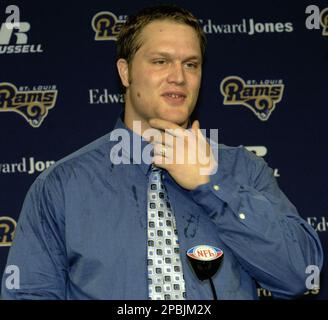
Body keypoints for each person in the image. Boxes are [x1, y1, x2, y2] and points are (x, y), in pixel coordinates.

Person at [1, 4, 323, 300]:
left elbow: (299, 276)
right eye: (160, 61)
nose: (178, 77)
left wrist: (210, 184)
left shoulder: (243, 170)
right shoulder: (61, 186)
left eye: (191, 64)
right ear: (125, 73)